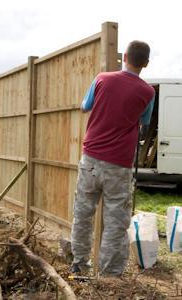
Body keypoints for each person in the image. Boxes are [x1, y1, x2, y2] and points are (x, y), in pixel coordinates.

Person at [70, 40, 155, 277]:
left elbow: (85, 106)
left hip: (91, 160)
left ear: (124, 56)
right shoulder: (148, 92)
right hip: (119, 165)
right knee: (116, 222)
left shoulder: (102, 79)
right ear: (146, 64)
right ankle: (109, 277)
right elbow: (145, 122)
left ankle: (79, 267)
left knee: (83, 215)